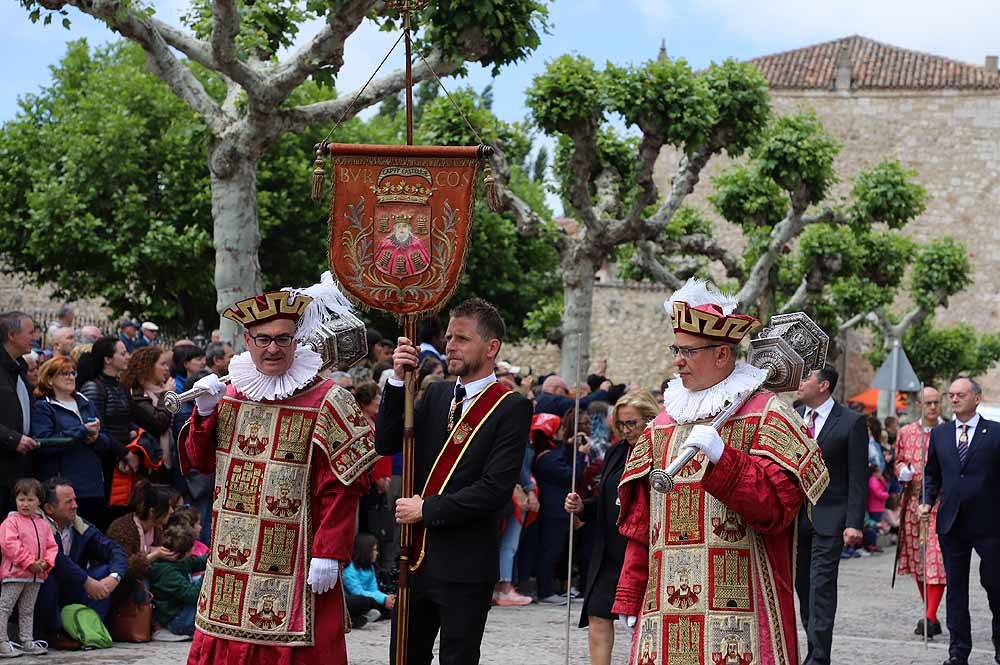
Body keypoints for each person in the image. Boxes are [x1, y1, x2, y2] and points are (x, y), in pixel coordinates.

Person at [613, 279, 829, 665]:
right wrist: (631, 591)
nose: (677, 360)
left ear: (722, 355)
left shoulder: (769, 414)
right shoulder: (662, 422)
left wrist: (723, 459)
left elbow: (777, 510)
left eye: (688, 351)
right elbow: (642, 524)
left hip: (740, 608)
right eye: (675, 349)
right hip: (663, 610)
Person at [180, 284, 376, 665]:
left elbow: (347, 482)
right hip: (231, 562)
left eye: (283, 339)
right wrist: (203, 414)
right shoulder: (233, 393)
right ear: (248, 341)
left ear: (296, 340)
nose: (273, 348)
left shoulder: (327, 399)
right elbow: (200, 462)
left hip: (299, 559)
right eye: (263, 339)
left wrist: (329, 552)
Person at [376, 298, 532, 665]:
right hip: (414, 559)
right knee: (404, 656)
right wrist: (398, 380)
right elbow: (385, 442)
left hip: (465, 563)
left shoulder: (511, 406)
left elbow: (494, 490)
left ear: (491, 347)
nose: (451, 345)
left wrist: (426, 508)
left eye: (462, 338)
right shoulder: (435, 393)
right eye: (449, 336)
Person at [566, 390, 660, 665]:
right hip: (608, 549)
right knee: (598, 612)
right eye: (620, 424)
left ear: (650, 419)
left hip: (641, 548)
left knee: (643, 622)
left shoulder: (662, 449)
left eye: (631, 423)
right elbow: (609, 497)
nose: (625, 430)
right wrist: (583, 506)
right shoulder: (617, 451)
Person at [920, 377, 1000, 665]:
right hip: (951, 523)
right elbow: (932, 474)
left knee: (995, 584)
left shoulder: (995, 433)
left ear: (976, 398)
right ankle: (958, 652)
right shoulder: (940, 434)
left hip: (990, 524)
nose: (953, 399)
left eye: (960, 395)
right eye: (950, 395)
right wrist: (927, 500)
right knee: (956, 589)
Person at [794, 365, 867, 664]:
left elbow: (858, 478)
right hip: (795, 521)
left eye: (806, 378)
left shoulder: (851, 422)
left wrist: (854, 523)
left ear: (823, 385)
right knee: (803, 588)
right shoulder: (793, 416)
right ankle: (815, 644)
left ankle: (818, 657)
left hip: (831, 519)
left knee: (821, 587)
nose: (799, 382)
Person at [35, 477, 128, 648]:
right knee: (46, 576)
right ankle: (53, 632)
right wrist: (86, 580)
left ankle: (90, 628)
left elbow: (114, 550)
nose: (75, 505)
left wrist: (114, 577)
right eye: (68, 502)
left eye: (75, 500)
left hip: (73, 588)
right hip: (46, 592)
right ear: (49, 508)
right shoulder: (36, 525)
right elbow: (57, 559)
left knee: (106, 571)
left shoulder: (79, 524)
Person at [30, 356, 112, 524]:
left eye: (73, 373)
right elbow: (44, 442)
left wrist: (96, 438)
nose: (70, 377)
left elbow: (106, 440)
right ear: (50, 379)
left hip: (93, 485)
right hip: (63, 487)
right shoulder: (43, 407)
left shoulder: (86, 403)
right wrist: (82, 431)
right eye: (64, 373)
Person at [895, 385, 946, 637]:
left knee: (936, 560)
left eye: (937, 402)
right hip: (914, 503)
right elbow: (898, 461)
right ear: (920, 406)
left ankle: (929, 616)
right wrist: (902, 471)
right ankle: (931, 614)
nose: (933, 407)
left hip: (942, 504)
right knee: (919, 562)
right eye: (929, 403)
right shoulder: (906, 432)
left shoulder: (948, 432)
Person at [533, 407, 590, 605]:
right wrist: (581, 455)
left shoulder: (552, 454)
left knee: (558, 551)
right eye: (559, 429)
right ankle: (545, 591)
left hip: (559, 510)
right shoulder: (547, 458)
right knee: (550, 551)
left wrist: (570, 446)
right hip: (552, 511)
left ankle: (553, 589)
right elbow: (570, 475)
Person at [0, 478, 59, 657]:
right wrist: (30, 563)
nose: (25, 504)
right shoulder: (10, 522)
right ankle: (1, 641)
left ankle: (27, 640)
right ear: (16, 500)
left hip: (36, 576)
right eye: (21, 499)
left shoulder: (43, 524)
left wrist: (46, 563)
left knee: (27, 609)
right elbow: (10, 545)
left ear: (39, 501)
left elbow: (52, 546)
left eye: (30, 500)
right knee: (5, 607)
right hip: (15, 574)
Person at [105, 481, 177, 625]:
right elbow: (123, 566)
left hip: (145, 578)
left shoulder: (156, 529)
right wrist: (153, 555)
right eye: (167, 507)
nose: (171, 511)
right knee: (144, 584)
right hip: (119, 582)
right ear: (152, 511)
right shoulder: (122, 528)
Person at [0, 311, 38, 517]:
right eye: (30, 332)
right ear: (12, 335)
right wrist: (13, 438)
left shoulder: (19, 369)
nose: (35, 337)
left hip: (18, 466)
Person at [149, 524, 208, 642]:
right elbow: (191, 595)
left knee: (198, 582)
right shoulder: (168, 572)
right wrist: (207, 575)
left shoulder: (180, 561)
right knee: (202, 591)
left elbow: (198, 562)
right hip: (176, 622)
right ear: (187, 551)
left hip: (179, 611)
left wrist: (217, 555)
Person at [343, 532, 395, 628]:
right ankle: (352, 618)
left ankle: (361, 617)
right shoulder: (349, 569)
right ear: (366, 551)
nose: (377, 553)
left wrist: (386, 598)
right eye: (374, 550)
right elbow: (357, 592)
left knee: (391, 606)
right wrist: (383, 599)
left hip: (369, 599)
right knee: (364, 601)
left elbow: (373, 589)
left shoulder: (369, 568)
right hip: (352, 600)